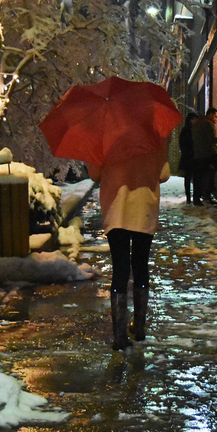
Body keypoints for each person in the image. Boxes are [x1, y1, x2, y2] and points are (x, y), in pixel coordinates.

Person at [88, 145, 171, 350]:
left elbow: (94, 174)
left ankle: (119, 335)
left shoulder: (105, 139)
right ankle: (139, 328)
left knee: (120, 267)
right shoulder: (151, 138)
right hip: (144, 207)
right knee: (141, 264)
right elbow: (165, 174)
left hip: (116, 209)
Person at [192, 108, 217, 204]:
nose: (216, 119)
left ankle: (198, 198)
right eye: (215, 116)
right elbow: (211, 139)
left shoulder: (198, 123)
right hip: (209, 153)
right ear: (210, 114)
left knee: (201, 175)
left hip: (199, 154)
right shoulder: (208, 123)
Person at [177, 112, 196, 205]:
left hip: (187, 157)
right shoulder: (191, 130)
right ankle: (192, 197)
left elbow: (181, 143)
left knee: (188, 177)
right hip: (191, 156)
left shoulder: (185, 130)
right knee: (193, 177)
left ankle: (189, 197)